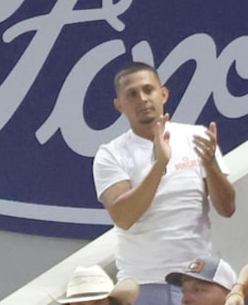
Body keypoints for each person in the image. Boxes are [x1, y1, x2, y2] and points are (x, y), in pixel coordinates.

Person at [97, 61, 234, 305]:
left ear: (163, 94)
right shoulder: (111, 153)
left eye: (148, 90)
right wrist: (159, 164)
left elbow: (227, 208)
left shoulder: (198, 137)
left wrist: (212, 166)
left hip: (195, 281)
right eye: (132, 94)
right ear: (119, 105)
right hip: (142, 284)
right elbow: (123, 217)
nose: (142, 99)